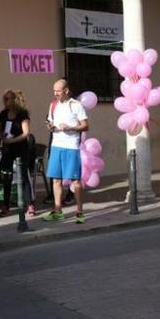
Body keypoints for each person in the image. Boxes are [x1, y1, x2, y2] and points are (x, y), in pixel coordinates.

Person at [43, 78, 89, 224]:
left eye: (58, 91)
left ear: (66, 91)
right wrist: (49, 126)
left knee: (75, 181)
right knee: (56, 179)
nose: (55, 93)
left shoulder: (76, 105)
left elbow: (85, 125)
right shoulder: (53, 104)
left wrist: (70, 128)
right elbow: (50, 121)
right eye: (54, 91)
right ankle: (58, 211)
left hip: (71, 147)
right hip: (56, 145)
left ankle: (80, 211)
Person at [0, 89, 32, 217]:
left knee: (23, 176)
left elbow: (26, 133)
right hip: (7, 149)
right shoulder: (3, 114)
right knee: (7, 176)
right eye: (4, 98)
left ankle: (29, 204)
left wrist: (12, 140)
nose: (5, 101)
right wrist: (2, 137)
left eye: (8, 98)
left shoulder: (22, 114)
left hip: (20, 148)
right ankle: (6, 205)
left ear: (14, 100)